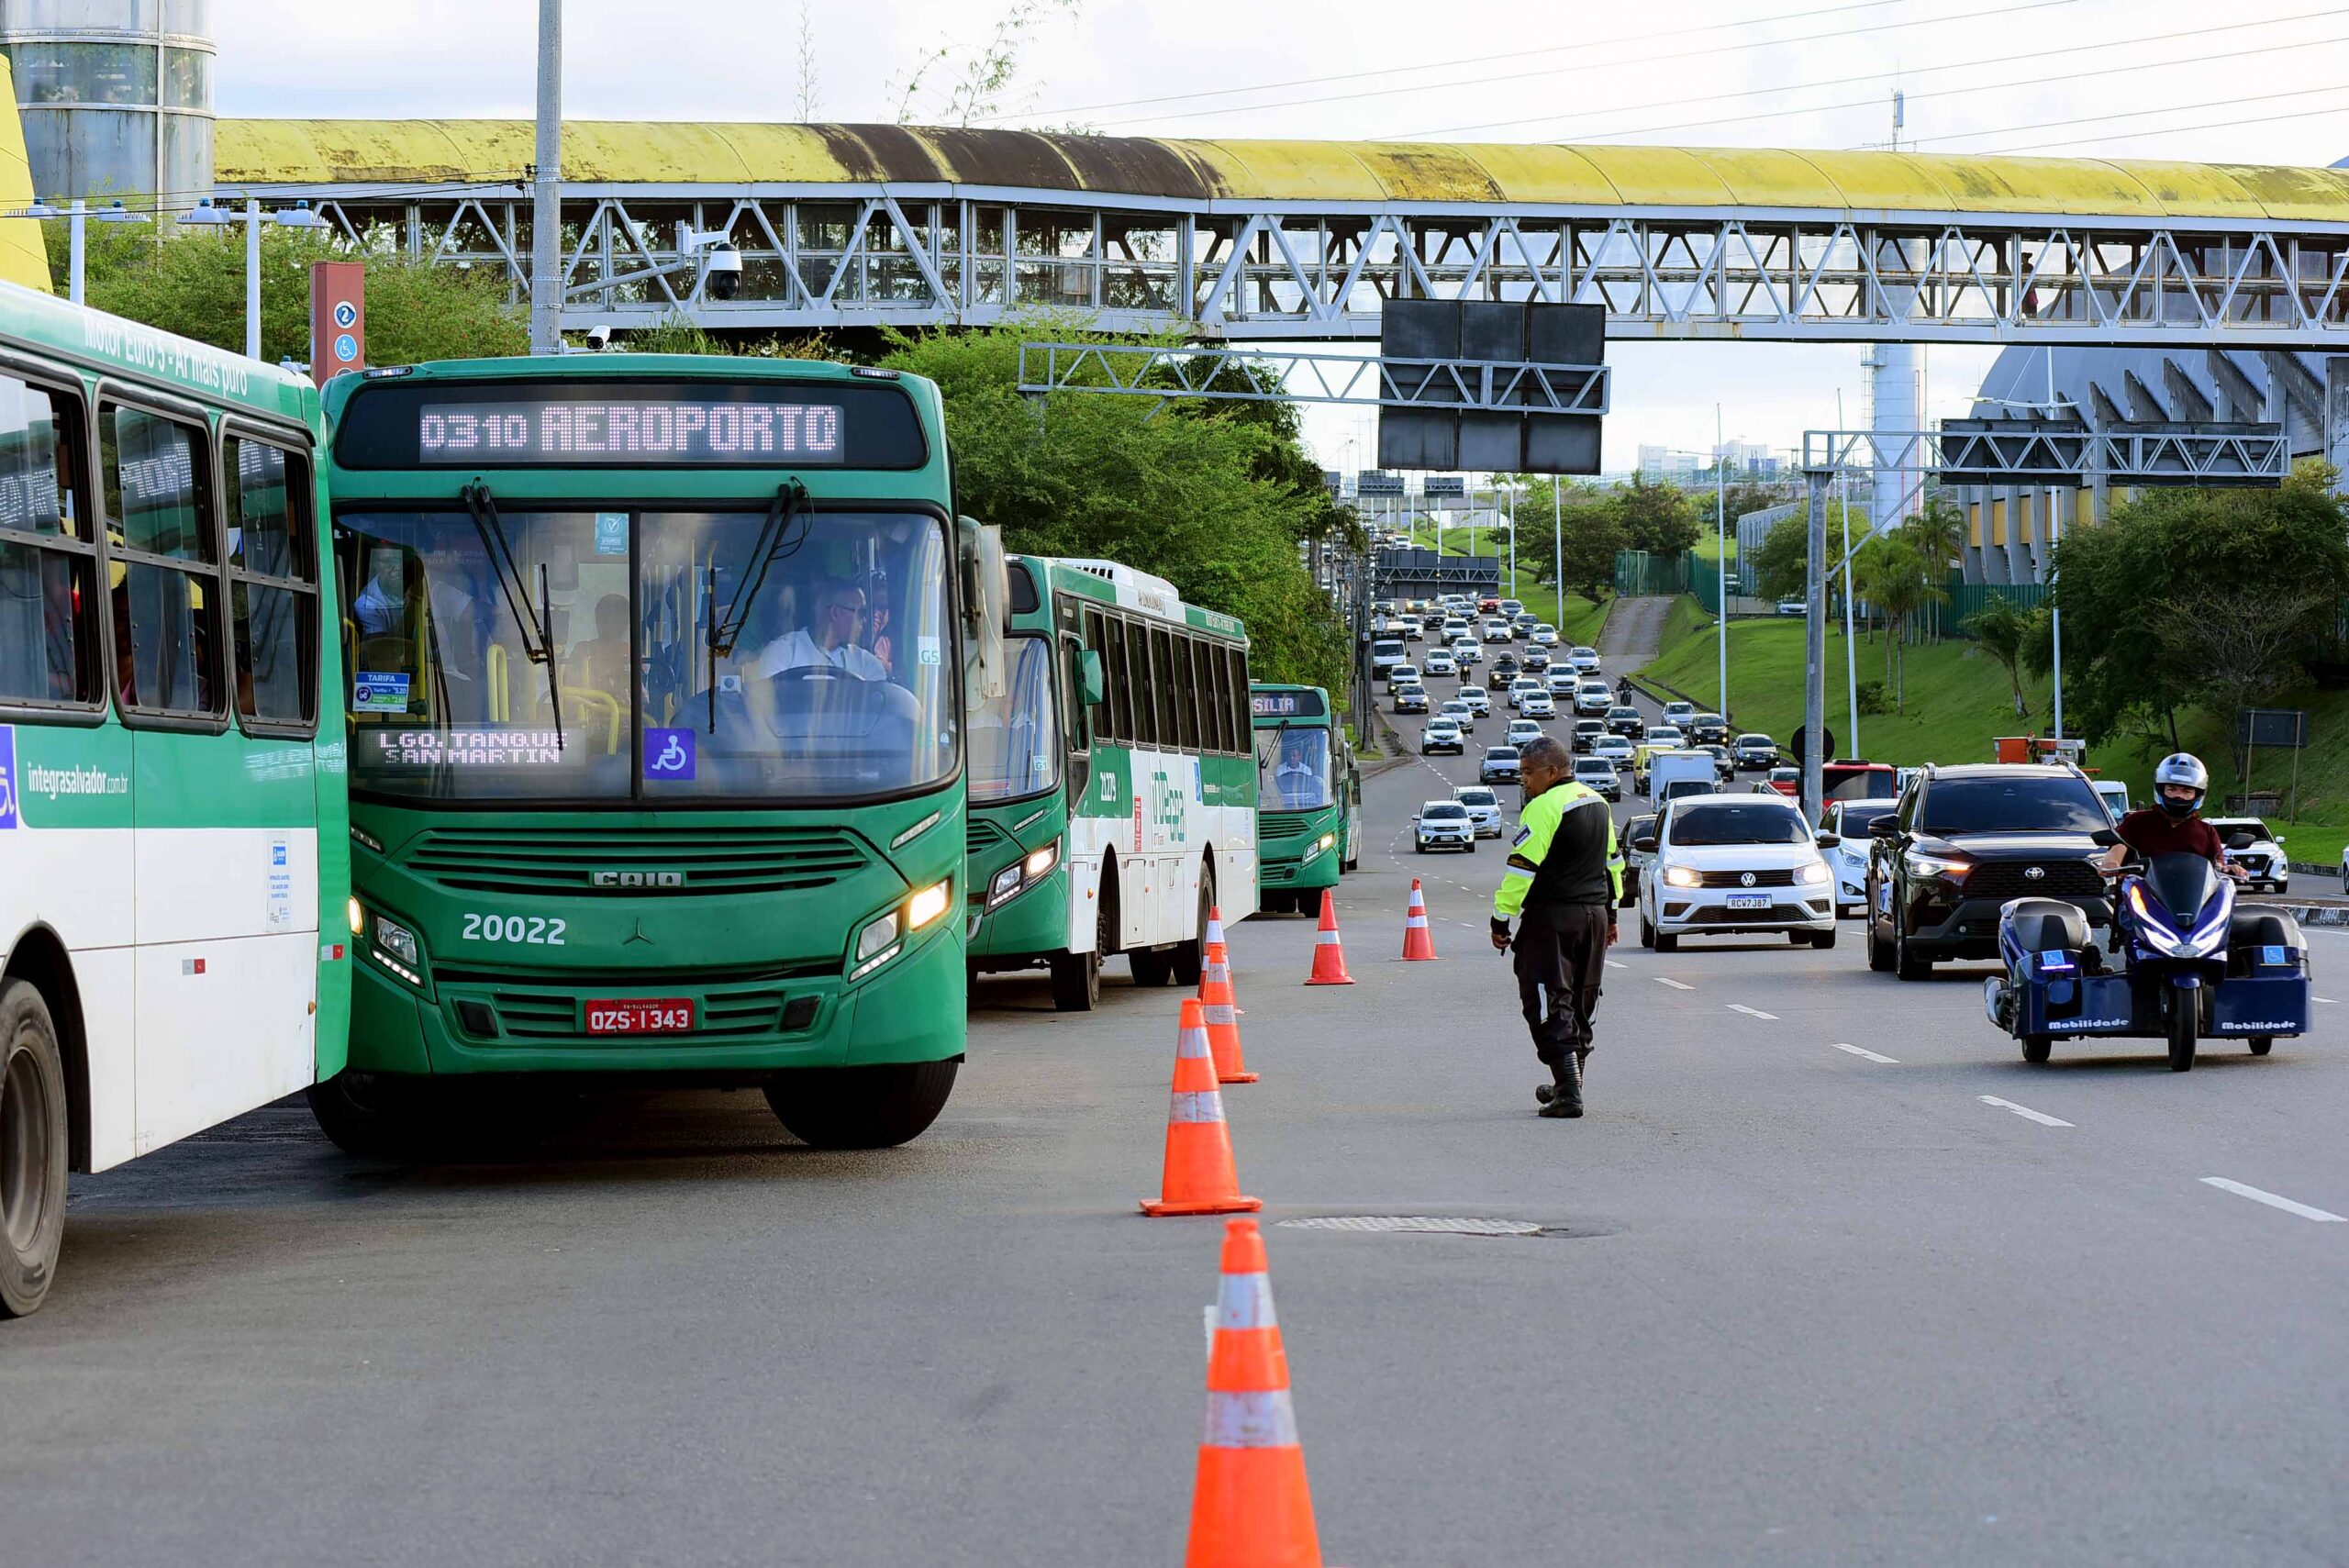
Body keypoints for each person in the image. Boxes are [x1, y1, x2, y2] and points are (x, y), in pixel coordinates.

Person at [1490, 735, 1623, 1118]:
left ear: (1552, 771)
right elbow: (1614, 862)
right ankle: (1569, 1082)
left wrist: (1501, 917)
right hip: (1594, 917)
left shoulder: (1544, 807)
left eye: (1528, 773)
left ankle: (1569, 1093)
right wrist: (1611, 915)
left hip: (1553, 918)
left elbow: (1521, 867)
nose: (1524, 781)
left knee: (1549, 1000)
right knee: (1582, 1000)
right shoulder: (1597, 802)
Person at [2097, 751, 2246, 883]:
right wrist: (2111, 864)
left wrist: (2230, 869)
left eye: (2187, 791)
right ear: (2161, 789)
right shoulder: (2135, 822)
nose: (2179, 796)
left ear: (2198, 795)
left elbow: (2218, 865)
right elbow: (2117, 849)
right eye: (2172, 789)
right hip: (2142, 900)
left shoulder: (2206, 832)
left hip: (2191, 902)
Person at [747, 576, 888, 682]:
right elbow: (764, 711)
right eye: (860, 613)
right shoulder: (782, 653)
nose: (864, 620)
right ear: (835, 612)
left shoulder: (867, 664)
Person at [1272, 734, 1322, 808]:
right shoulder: (1280, 769)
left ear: (1299, 757)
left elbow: (1308, 787)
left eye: (1294, 756)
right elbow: (1278, 787)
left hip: (1303, 802)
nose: (1292, 758)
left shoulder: (1306, 770)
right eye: (1290, 756)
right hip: (1285, 801)